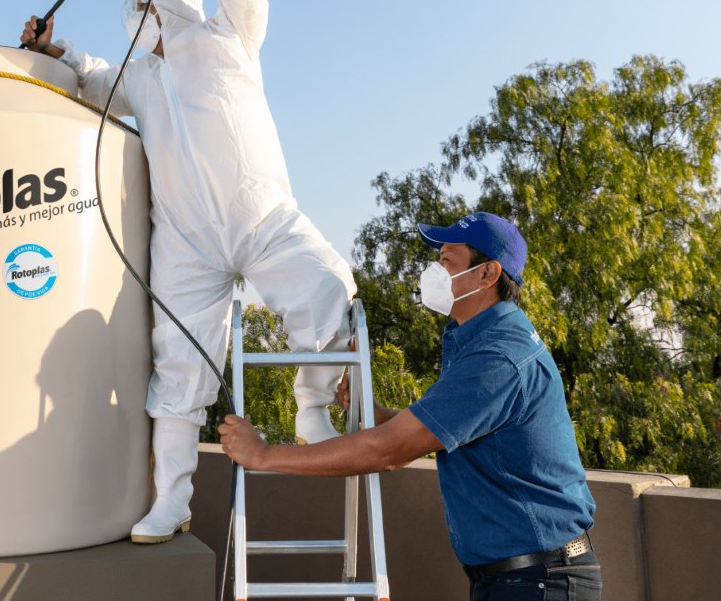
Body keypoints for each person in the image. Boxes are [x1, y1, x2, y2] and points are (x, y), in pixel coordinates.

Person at [20, 0, 356, 544]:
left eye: (147, 4)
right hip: (187, 244)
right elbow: (92, 79)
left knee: (324, 282)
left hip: (262, 217)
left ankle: (312, 409)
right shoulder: (138, 77)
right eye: (135, 11)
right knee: (176, 363)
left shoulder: (230, 35)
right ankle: (171, 498)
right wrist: (50, 51)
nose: (140, 17)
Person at [219, 212, 602, 600]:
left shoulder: (496, 358)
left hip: (539, 581)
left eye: (447, 261)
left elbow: (390, 451)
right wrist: (379, 414)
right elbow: (445, 428)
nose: (434, 270)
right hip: (520, 577)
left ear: (488, 274)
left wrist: (263, 455)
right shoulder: (481, 338)